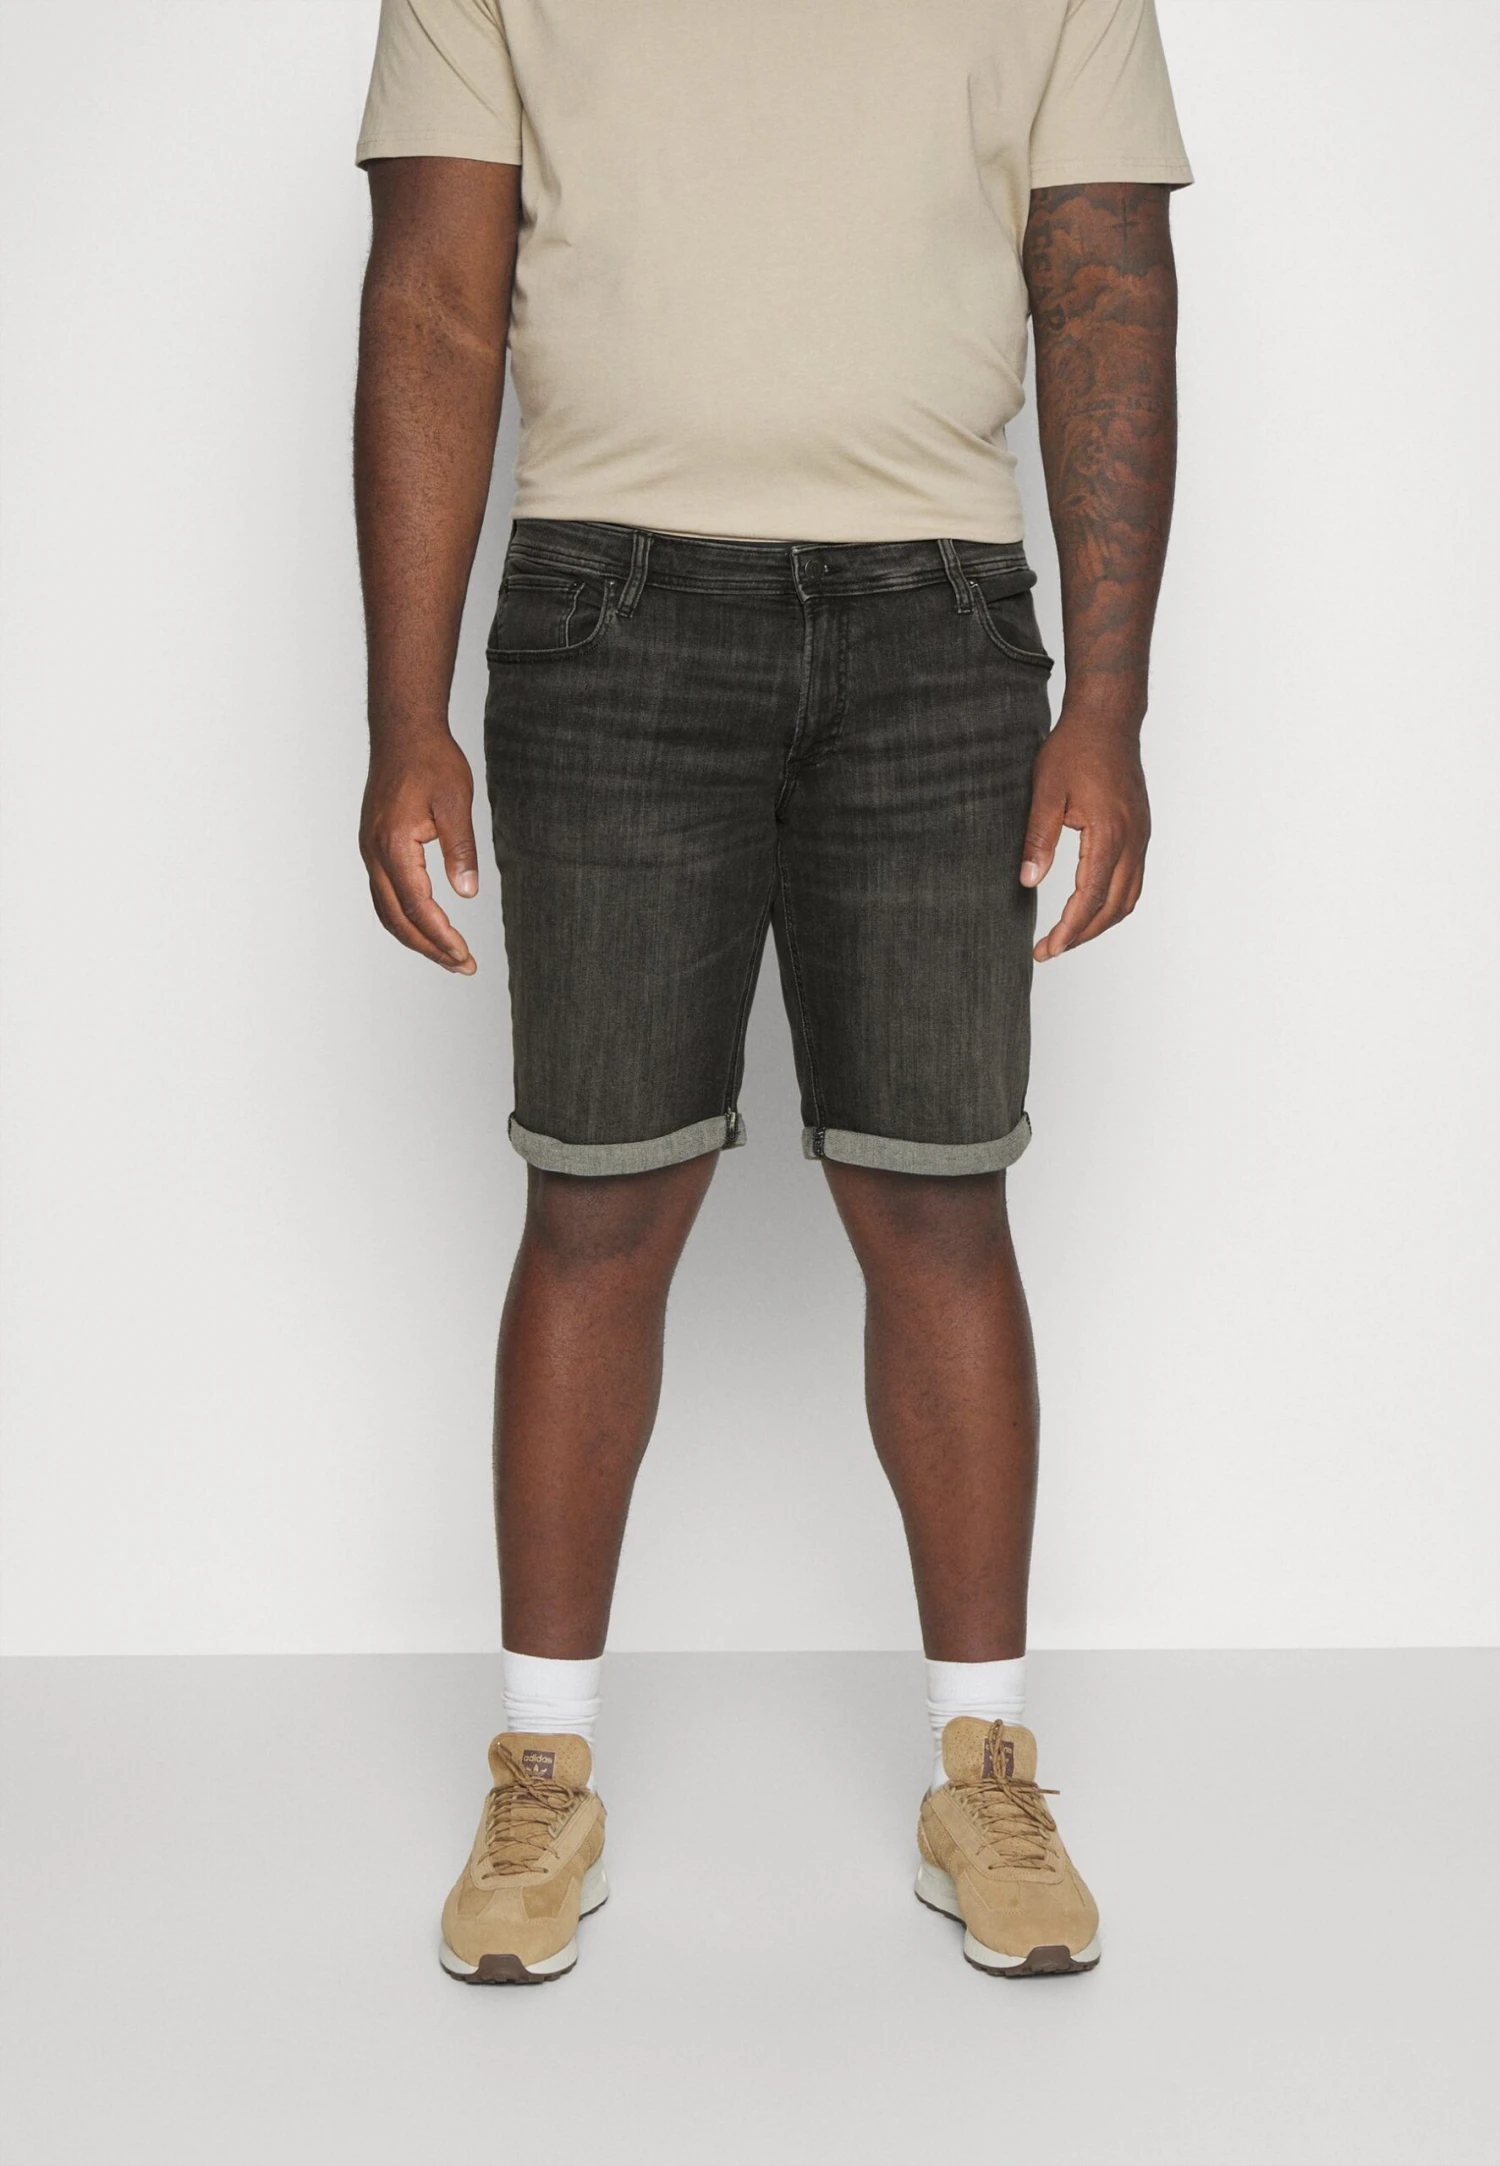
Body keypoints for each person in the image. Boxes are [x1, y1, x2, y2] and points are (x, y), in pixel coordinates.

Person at [352, 0, 1190, 1984]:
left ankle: (985, 1767)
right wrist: (403, 712)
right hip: (608, 618)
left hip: (941, 629)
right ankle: (542, 1774)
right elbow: (433, 301)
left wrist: (1111, 703)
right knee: (599, 1198)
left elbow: (1106, 291)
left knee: (937, 1196)